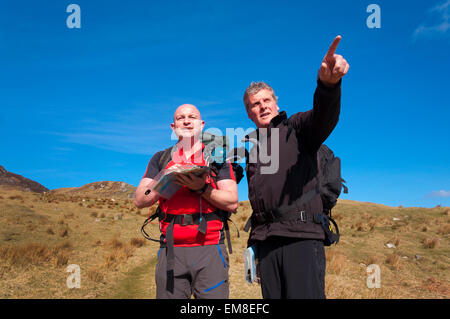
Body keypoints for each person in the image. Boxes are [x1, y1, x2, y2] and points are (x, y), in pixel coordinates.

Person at [242, 35, 349, 299]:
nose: (262, 106)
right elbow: (259, 205)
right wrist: (253, 246)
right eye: (255, 104)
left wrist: (328, 85)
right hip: (266, 244)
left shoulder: (297, 129)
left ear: (276, 103)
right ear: (249, 113)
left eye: (266, 100)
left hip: (301, 239)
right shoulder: (253, 149)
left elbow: (324, 116)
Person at [134, 104, 238, 299]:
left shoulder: (217, 157)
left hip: (210, 247)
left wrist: (201, 187)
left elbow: (232, 202)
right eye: (181, 118)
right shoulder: (161, 158)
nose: (187, 121)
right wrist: (166, 178)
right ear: (173, 127)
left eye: (192, 117)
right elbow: (140, 200)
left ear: (202, 124)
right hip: (171, 250)